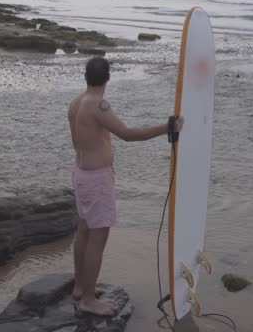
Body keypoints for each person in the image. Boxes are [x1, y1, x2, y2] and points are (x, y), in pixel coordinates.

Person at [68, 56, 181, 316]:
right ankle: (87, 299)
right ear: (108, 77)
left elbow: (80, 140)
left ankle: (79, 286)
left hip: (81, 173)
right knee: (98, 236)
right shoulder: (98, 104)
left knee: (84, 230)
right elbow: (128, 135)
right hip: (96, 179)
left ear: (86, 76)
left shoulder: (76, 103)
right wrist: (167, 127)